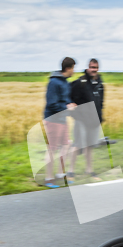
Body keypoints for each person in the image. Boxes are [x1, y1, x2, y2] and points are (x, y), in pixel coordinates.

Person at [69, 59, 105, 182]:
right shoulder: (80, 82)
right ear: (88, 67)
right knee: (77, 145)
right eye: (91, 67)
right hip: (81, 120)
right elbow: (68, 96)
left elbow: (101, 103)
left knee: (90, 146)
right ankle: (71, 172)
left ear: (98, 68)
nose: (93, 69)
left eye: (95, 67)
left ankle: (89, 171)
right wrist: (72, 109)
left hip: (94, 121)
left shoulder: (100, 84)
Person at [43, 57, 77, 188]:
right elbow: (52, 104)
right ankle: (48, 178)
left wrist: (70, 105)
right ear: (68, 68)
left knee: (66, 145)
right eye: (73, 68)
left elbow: (64, 101)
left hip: (62, 119)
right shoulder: (54, 83)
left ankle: (60, 175)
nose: (74, 71)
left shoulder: (64, 83)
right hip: (53, 119)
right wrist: (67, 108)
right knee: (52, 149)